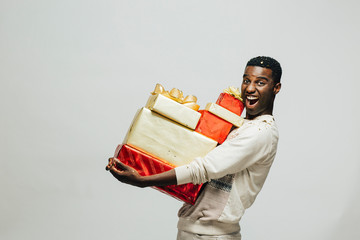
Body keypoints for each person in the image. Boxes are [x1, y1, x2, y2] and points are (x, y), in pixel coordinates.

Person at [106, 56, 282, 239]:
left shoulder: (261, 132)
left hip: (212, 235)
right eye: (246, 80)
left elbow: (204, 168)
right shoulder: (240, 125)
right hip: (192, 230)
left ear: (276, 88)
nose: (250, 88)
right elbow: (190, 153)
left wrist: (144, 180)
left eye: (260, 82)